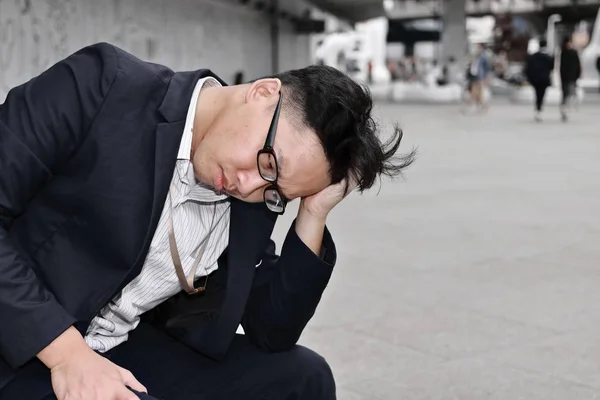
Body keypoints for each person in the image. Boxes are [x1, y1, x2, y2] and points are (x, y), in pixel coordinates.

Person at [0, 43, 415, 400]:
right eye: (268, 162)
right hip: (27, 339)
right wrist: (67, 354)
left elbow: (270, 332)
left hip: (118, 346)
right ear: (264, 92)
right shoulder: (105, 84)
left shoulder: (255, 192)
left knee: (303, 378)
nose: (247, 185)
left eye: (275, 192)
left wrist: (311, 210)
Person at [524, 39, 554, 122]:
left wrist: (529, 77)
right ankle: (539, 109)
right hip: (544, 79)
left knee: (537, 93)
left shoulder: (533, 57)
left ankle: (538, 108)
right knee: (541, 94)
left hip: (535, 79)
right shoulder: (548, 57)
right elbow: (552, 68)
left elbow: (528, 68)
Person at [559, 36, 582, 122]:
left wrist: (578, 74)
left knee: (570, 91)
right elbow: (561, 66)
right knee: (565, 92)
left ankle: (567, 107)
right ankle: (564, 108)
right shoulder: (563, 53)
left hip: (572, 76)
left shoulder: (573, 52)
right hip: (565, 76)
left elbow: (578, 64)